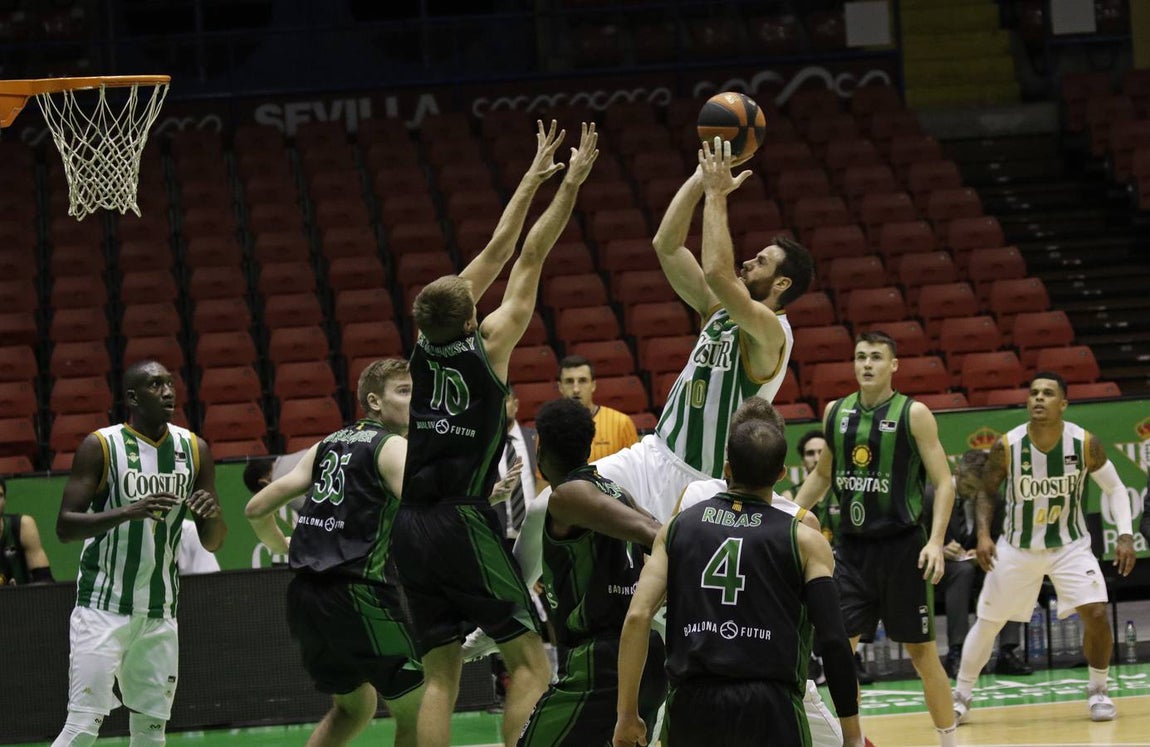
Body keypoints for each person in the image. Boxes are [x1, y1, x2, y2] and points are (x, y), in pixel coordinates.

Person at [391, 120, 598, 747]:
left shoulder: (424, 347)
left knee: (440, 679)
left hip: (410, 525)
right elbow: (526, 253)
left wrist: (531, 176)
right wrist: (568, 185)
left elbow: (496, 247)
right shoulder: (493, 343)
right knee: (531, 664)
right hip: (460, 520)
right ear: (473, 312)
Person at [614, 419, 863, 747]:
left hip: (692, 704)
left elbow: (637, 616)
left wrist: (627, 715)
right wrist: (853, 734)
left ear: (727, 468)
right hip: (772, 707)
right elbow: (833, 640)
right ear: (780, 474)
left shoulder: (676, 528)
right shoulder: (804, 539)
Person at [244, 359, 424, 746]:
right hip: (359, 594)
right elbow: (426, 512)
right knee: (421, 709)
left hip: (306, 600)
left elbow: (256, 509)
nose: (416, 399)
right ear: (374, 401)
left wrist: (282, 546)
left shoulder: (327, 444)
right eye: (405, 391)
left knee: (353, 707)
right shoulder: (392, 446)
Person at [794, 330, 958, 747]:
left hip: (903, 548)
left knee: (922, 655)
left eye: (876, 357)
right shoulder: (836, 412)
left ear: (893, 365)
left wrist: (936, 541)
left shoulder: (914, 414)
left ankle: (949, 739)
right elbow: (823, 474)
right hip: (851, 550)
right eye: (861, 357)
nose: (867, 364)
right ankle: (854, 740)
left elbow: (944, 481)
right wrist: (791, 515)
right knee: (838, 649)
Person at [52, 359, 226, 746]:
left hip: (160, 609)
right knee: (83, 727)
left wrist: (212, 516)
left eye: (170, 383)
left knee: (151, 730)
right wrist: (126, 511)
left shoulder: (194, 448)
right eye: (154, 385)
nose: (167, 392)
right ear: (132, 397)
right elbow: (65, 526)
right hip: (102, 605)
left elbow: (214, 541)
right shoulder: (100, 446)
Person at [952, 371, 1138, 724]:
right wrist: (983, 536)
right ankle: (961, 696)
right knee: (990, 621)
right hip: (1017, 547)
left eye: (1048, 393)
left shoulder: (1084, 443)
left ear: (1063, 404)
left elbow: (1115, 489)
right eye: (1034, 392)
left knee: (1097, 613)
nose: (1038, 398)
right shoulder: (1008, 445)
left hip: (1070, 544)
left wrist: (1125, 534)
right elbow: (986, 491)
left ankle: (1098, 690)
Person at [675, 396, 844, 747]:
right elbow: (825, 627)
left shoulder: (691, 499)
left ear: (728, 459)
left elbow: (649, 599)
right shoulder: (799, 520)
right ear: (781, 466)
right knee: (838, 740)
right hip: (770, 678)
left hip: (696, 669)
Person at [517, 398, 664, 746]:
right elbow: (660, 532)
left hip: (601, 660)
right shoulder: (617, 492)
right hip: (641, 653)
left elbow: (658, 535)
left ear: (540, 449)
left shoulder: (567, 496)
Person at [926, 450, 1029, 679]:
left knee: (1009, 568)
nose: (974, 496)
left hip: (975, 563)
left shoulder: (993, 498)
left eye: (979, 490)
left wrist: (984, 551)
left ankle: (1008, 651)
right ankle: (957, 652)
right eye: (970, 488)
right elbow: (913, 541)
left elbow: (1002, 537)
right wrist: (938, 549)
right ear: (957, 473)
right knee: (961, 572)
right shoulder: (931, 495)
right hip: (937, 568)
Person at [555, 355, 638, 461]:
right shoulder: (548, 429)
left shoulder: (621, 423)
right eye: (569, 381)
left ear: (593, 385)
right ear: (560, 387)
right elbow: (541, 476)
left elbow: (636, 470)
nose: (576, 389)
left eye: (583, 380)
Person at [494, 387, 540, 543]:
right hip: (499, 536)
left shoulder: (535, 438)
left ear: (516, 405)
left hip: (534, 534)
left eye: (504, 401)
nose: (499, 406)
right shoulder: (482, 447)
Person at [0, 476, 54, 585]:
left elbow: (45, 583)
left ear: (5, 500)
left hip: (22, 600)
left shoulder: (22, 526)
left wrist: (20, 592)